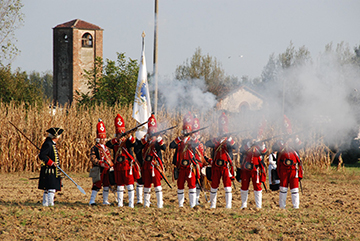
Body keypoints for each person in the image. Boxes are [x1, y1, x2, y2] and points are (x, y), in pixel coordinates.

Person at [205, 112, 237, 209]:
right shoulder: (216, 141)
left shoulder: (228, 142)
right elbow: (207, 143)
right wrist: (218, 140)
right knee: (214, 185)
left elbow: (234, 147)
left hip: (225, 166)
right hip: (216, 166)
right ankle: (213, 204)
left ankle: (228, 205)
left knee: (227, 186)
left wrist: (229, 139)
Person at [106, 114, 139, 208]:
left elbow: (134, 144)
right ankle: (120, 204)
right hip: (118, 166)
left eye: (121, 133)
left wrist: (129, 136)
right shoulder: (115, 142)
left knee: (129, 185)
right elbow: (108, 144)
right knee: (119, 185)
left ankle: (131, 204)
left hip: (127, 165)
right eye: (118, 134)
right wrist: (116, 139)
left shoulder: (127, 141)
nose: (120, 135)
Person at [170, 112, 200, 208]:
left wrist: (194, 138)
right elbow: (171, 145)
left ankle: (192, 205)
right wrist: (179, 138)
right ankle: (180, 205)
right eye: (184, 130)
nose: (185, 132)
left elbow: (196, 145)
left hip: (190, 166)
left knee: (192, 186)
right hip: (181, 167)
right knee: (180, 186)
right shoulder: (179, 140)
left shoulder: (192, 140)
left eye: (187, 130)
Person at [139, 114, 166, 208]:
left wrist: (158, 138)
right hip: (146, 166)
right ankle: (146, 203)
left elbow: (163, 148)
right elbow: (138, 148)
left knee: (157, 185)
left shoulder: (157, 141)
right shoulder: (145, 141)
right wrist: (146, 139)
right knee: (146, 185)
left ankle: (160, 203)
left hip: (155, 165)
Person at [89, 119, 114, 206]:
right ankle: (92, 200)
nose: (103, 140)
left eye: (104, 138)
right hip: (99, 169)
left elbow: (109, 157)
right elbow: (92, 158)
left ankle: (105, 200)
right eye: (101, 138)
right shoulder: (95, 148)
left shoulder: (107, 148)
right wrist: (100, 163)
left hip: (107, 169)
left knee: (106, 185)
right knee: (96, 185)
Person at [38, 127, 64, 207]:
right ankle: (50, 204)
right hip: (49, 170)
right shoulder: (48, 144)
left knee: (48, 188)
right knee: (51, 188)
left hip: (52, 170)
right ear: (56, 136)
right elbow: (42, 155)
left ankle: (45, 204)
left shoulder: (51, 144)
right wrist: (51, 163)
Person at [239, 139, 267, 209]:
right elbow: (242, 151)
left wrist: (262, 144)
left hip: (255, 169)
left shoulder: (260, 145)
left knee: (257, 187)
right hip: (246, 168)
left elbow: (264, 152)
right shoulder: (246, 143)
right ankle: (243, 205)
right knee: (244, 187)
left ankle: (258, 206)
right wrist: (249, 144)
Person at [277, 138, 303, 209]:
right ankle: (282, 206)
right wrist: (284, 141)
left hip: (293, 170)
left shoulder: (294, 143)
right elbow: (277, 148)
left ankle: (296, 206)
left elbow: (300, 146)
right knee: (283, 189)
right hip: (283, 170)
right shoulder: (280, 141)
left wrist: (295, 139)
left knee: (294, 189)